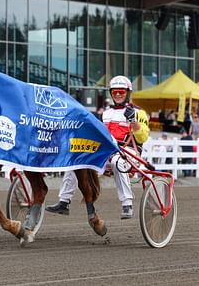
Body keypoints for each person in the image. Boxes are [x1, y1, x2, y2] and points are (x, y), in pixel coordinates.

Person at [45, 76, 150, 219]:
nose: (118, 94)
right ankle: (64, 202)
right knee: (76, 161)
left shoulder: (138, 113)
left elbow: (142, 137)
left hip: (130, 153)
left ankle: (127, 203)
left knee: (117, 161)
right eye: (115, 92)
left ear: (128, 92)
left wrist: (133, 121)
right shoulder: (105, 113)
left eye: (121, 92)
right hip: (106, 152)